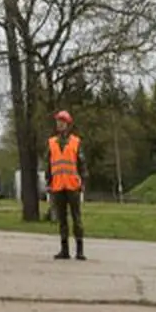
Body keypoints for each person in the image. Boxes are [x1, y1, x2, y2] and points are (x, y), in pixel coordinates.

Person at [46, 109, 86, 260]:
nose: (59, 124)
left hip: (72, 185)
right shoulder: (51, 143)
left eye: (62, 122)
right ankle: (64, 250)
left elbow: (82, 163)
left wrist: (83, 181)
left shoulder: (76, 142)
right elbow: (49, 165)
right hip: (58, 185)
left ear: (68, 124)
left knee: (76, 218)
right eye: (58, 121)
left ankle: (80, 250)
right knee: (62, 219)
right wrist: (49, 183)